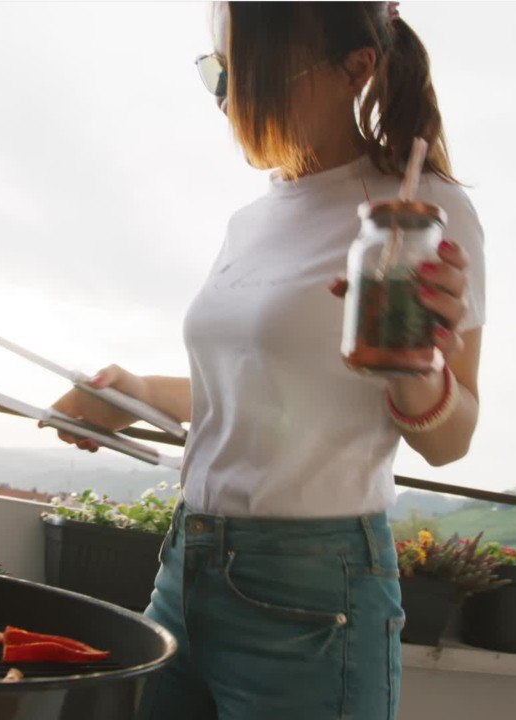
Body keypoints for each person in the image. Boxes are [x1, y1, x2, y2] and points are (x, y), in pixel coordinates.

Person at [43, 3, 485, 718]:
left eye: (258, 79)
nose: (234, 105)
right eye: (222, 76)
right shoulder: (251, 220)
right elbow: (264, 387)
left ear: (357, 68)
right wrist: (132, 393)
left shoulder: (421, 209)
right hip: (186, 563)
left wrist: (415, 365)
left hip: (313, 592)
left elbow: (451, 441)